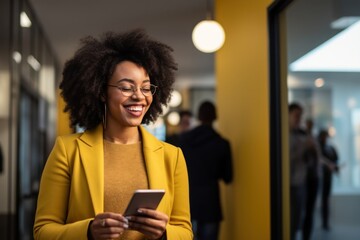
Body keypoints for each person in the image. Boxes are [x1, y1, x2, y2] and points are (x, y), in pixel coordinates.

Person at [33, 29, 193, 240]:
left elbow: (185, 230)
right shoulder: (67, 151)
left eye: (146, 88)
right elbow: (43, 230)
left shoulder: (172, 157)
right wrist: (88, 231)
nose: (139, 96)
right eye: (126, 87)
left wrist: (165, 234)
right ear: (101, 92)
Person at [179, 101, 233, 240]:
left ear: (198, 116)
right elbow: (228, 177)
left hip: (188, 201)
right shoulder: (222, 143)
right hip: (210, 202)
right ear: (215, 116)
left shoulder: (184, 140)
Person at [288, 103, 317, 240]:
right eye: (296, 116)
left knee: (296, 222)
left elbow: (307, 160)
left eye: (301, 116)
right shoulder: (283, 136)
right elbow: (286, 160)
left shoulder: (299, 135)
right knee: (291, 222)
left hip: (300, 182)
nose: (299, 120)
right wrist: (304, 148)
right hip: (291, 184)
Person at [302, 118, 320, 240]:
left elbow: (319, 156)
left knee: (310, 209)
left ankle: (307, 235)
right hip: (304, 178)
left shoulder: (313, 139)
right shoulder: (302, 138)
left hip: (314, 177)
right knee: (303, 209)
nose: (310, 126)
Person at [318, 129, 339, 231]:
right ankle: (323, 222)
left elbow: (335, 158)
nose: (325, 138)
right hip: (320, 177)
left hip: (328, 177)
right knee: (323, 199)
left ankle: (325, 222)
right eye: (324, 136)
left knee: (326, 199)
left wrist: (335, 167)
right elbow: (318, 159)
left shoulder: (330, 147)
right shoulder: (318, 147)